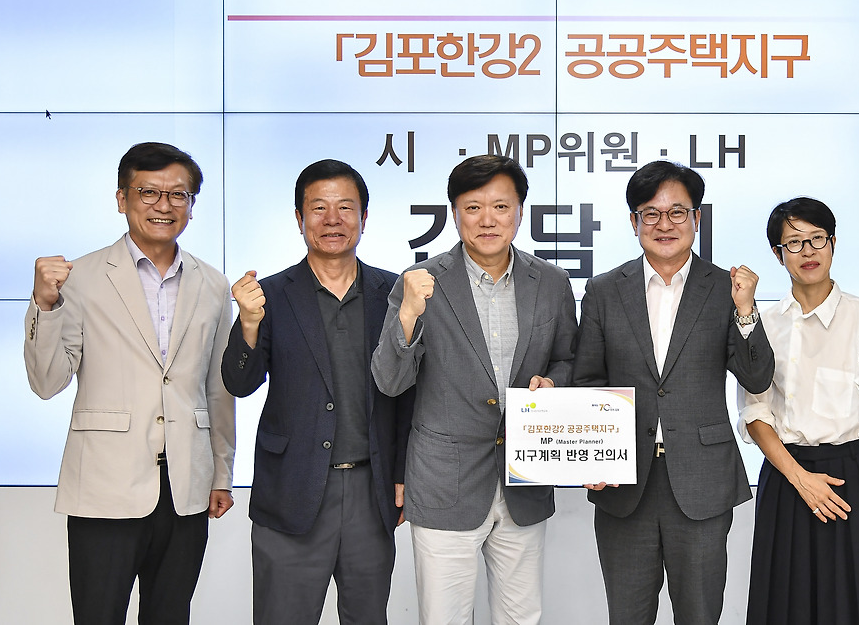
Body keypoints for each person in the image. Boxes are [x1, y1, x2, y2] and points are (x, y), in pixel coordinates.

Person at [23, 141, 236, 625]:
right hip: (105, 486)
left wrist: (221, 472)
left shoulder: (213, 284)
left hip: (186, 487)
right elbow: (47, 381)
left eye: (178, 194)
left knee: (170, 616)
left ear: (191, 205)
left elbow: (217, 388)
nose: (164, 205)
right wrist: (44, 305)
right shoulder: (79, 277)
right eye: (148, 192)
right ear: (122, 199)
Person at [371, 154, 577, 625]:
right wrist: (408, 314)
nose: (488, 220)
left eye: (501, 207)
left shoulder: (551, 282)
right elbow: (390, 380)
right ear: (454, 213)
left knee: (521, 617)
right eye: (473, 207)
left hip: (525, 478)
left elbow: (569, 360)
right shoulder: (420, 282)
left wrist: (553, 383)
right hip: (445, 481)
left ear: (520, 212)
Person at [574, 160, 775, 625]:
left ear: (697, 218)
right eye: (651, 213)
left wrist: (746, 310)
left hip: (702, 479)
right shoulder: (604, 290)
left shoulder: (725, 288)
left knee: (700, 614)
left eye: (677, 212)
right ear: (634, 222)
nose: (664, 224)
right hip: (624, 481)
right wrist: (592, 456)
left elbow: (757, 378)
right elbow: (587, 381)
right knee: (627, 616)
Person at [221, 159, 415, 624]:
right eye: (319, 208)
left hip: (370, 491)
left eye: (345, 208)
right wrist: (248, 324)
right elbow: (239, 383)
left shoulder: (395, 292)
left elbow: (410, 394)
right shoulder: (269, 295)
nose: (333, 219)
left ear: (364, 218)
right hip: (292, 488)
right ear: (299, 218)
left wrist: (404, 472)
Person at [738, 197, 859, 625]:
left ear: (833, 243)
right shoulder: (763, 324)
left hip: (855, 478)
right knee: (786, 605)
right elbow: (755, 414)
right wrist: (801, 480)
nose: (808, 251)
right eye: (794, 243)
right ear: (778, 254)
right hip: (788, 476)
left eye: (817, 239)